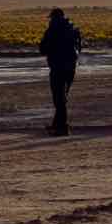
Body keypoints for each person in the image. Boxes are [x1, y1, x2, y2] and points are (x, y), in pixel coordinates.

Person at [38, 8, 81, 136]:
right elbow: (79, 48)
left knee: (59, 98)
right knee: (62, 98)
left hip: (57, 67)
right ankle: (57, 125)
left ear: (54, 18)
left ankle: (62, 128)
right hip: (70, 68)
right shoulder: (72, 29)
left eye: (51, 18)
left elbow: (43, 49)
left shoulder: (52, 30)